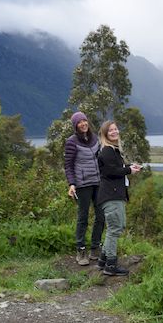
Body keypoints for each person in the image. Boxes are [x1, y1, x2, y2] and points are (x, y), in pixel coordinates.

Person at [96, 120, 142, 276]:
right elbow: (111, 171)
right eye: (110, 131)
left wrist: (130, 167)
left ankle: (103, 260)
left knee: (115, 227)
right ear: (105, 134)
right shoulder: (107, 151)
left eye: (116, 129)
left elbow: (116, 168)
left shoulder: (112, 150)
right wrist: (129, 170)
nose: (114, 132)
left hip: (113, 194)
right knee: (115, 228)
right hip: (111, 195)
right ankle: (111, 265)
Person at [63, 111, 105, 265]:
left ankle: (95, 247)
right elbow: (68, 165)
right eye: (79, 122)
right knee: (83, 217)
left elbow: (101, 159)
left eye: (84, 121)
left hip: (98, 182)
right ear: (75, 126)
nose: (83, 124)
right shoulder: (71, 142)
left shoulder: (95, 139)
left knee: (101, 215)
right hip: (82, 184)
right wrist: (71, 184)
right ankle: (81, 250)